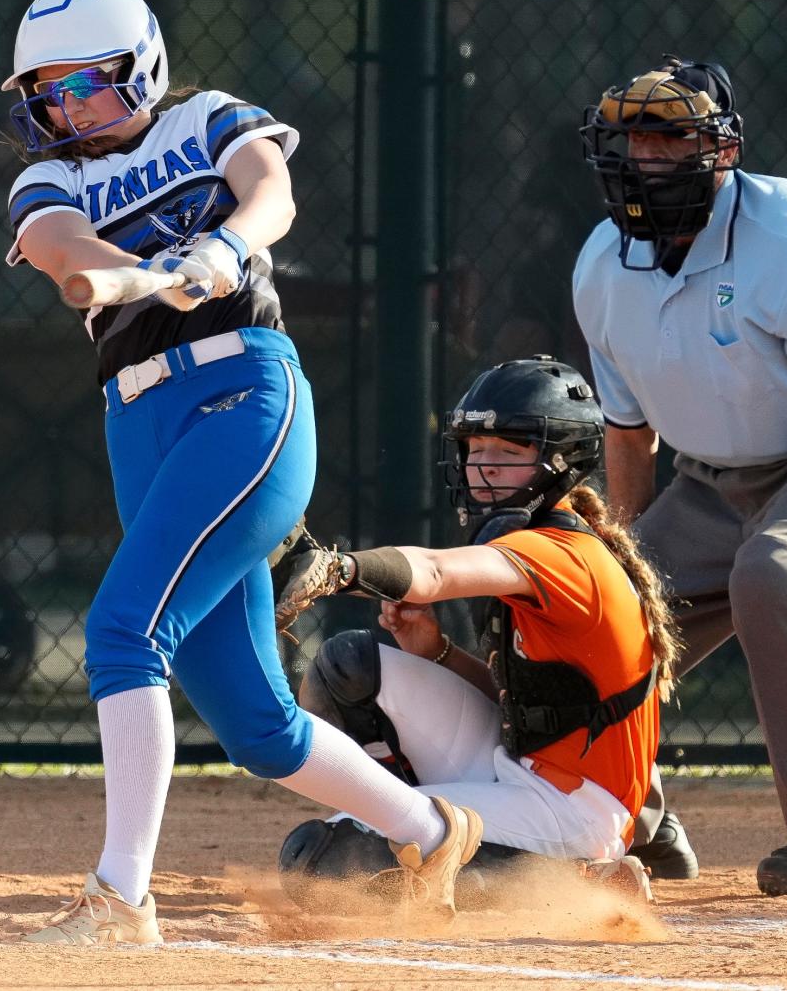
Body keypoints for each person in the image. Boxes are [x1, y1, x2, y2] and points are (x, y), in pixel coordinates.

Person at [1, 0, 484, 944]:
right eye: (48, 95)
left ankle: (120, 898)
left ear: (141, 72)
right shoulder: (48, 176)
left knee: (124, 631)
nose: (67, 110)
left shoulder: (208, 119)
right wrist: (113, 267)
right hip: (139, 423)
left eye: (85, 86)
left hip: (242, 393)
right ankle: (432, 828)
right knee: (259, 727)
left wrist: (223, 247)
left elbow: (272, 190)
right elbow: (61, 246)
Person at [275, 356, 679, 905]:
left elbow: (435, 572)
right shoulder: (540, 542)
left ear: (562, 462)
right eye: (474, 450)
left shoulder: (565, 553)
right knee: (350, 666)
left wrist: (342, 569)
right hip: (515, 769)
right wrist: (435, 651)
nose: (482, 467)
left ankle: (575, 879)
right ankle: (437, 838)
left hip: (576, 809)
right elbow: (526, 706)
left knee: (324, 863)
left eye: (509, 453)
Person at [575, 54, 787, 896]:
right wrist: (616, 559)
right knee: (598, 604)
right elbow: (630, 439)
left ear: (724, 150)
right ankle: (633, 820)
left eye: (668, 134)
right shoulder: (603, 266)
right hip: (703, 485)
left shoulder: (781, 237)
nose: (645, 155)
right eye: (632, 136)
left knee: (771, 573)